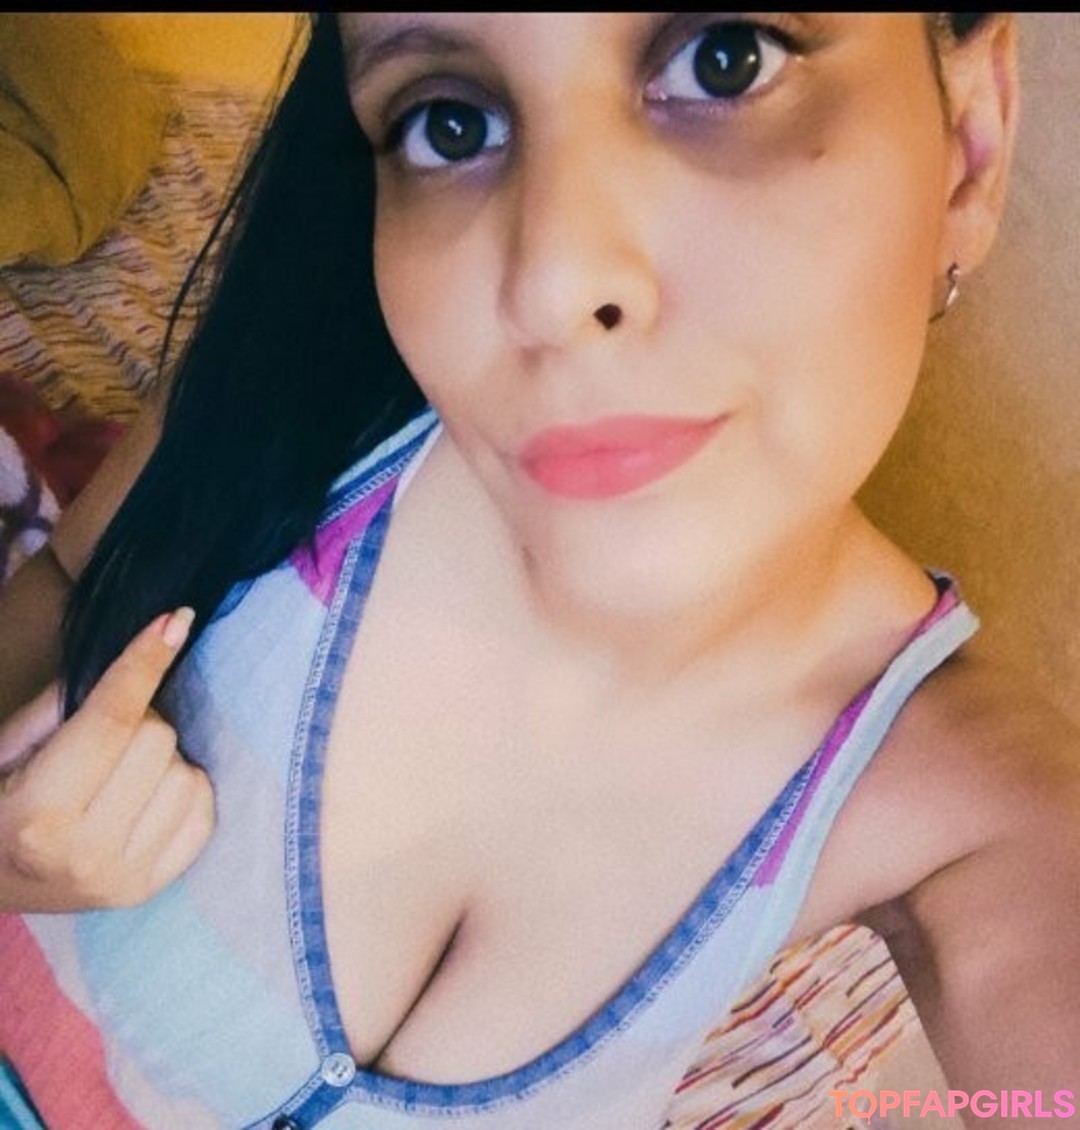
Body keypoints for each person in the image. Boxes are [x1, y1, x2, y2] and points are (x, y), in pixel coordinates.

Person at [1, 11, 1077, 1129]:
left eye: (726, 60)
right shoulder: (308, 385)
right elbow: (71, 583)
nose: (551, 283)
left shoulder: (983, 818)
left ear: (969, 143)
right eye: (448, 124)